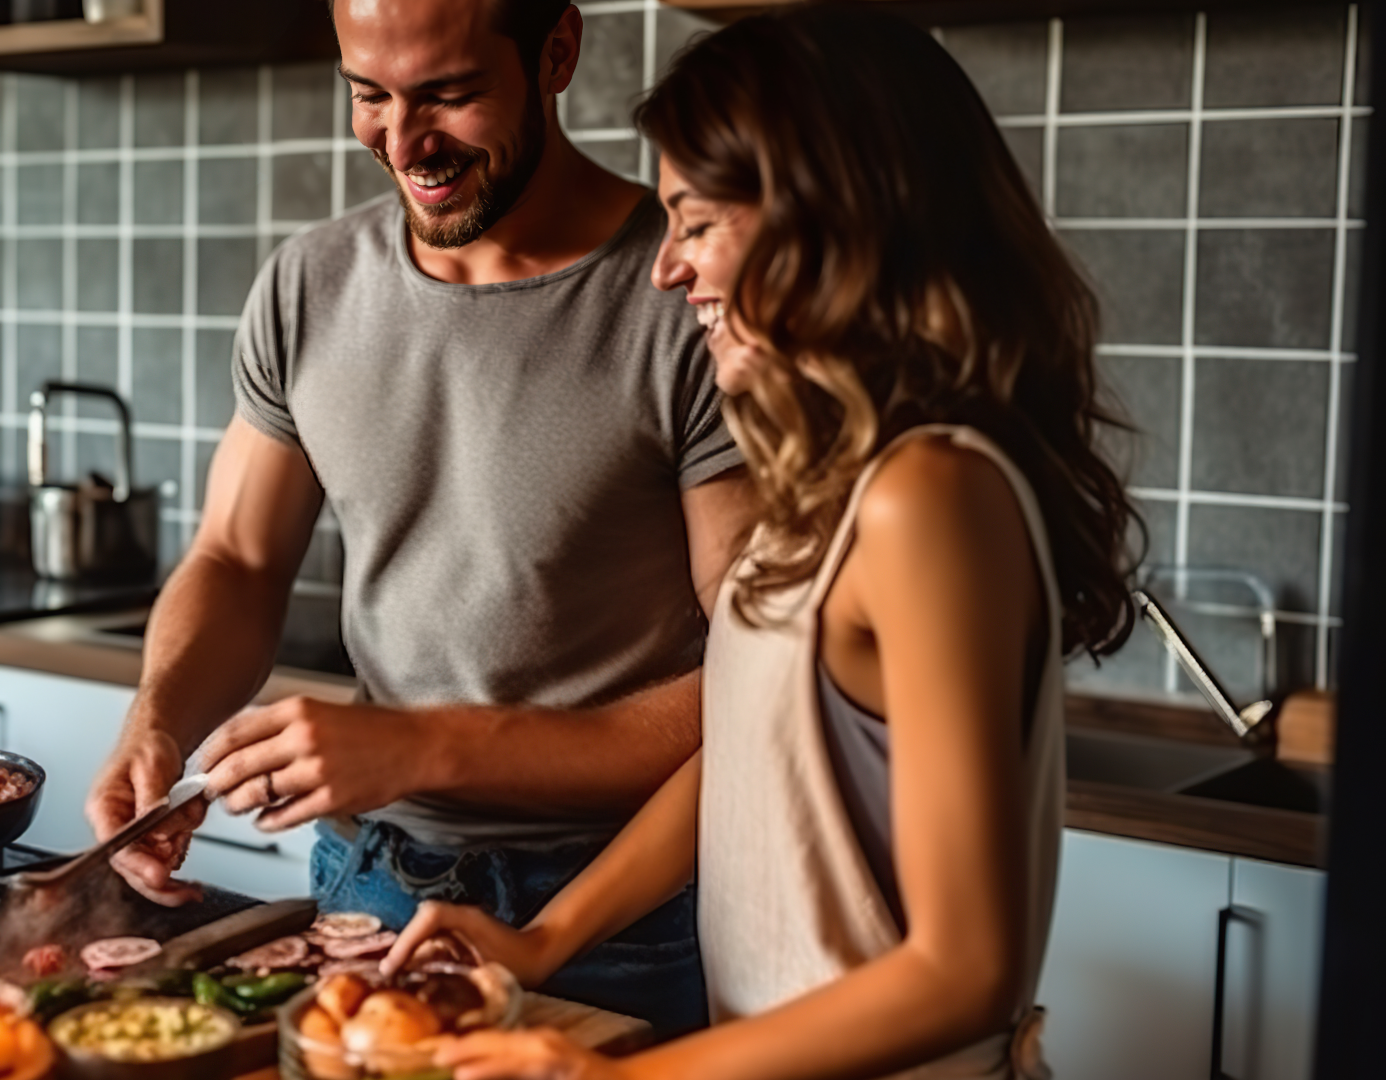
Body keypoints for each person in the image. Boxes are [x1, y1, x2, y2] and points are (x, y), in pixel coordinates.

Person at [380, 6, 1142, 1078]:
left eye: (693, 222)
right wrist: (547, 940)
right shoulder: (838, 485)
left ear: (822, 221)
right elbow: (747, 752)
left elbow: (969, 967)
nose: (666, 269)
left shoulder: (931, 495)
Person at [82, 0, 754, 1035]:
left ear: (556, 52)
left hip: (622, 909)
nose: (403, 142)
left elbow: (758, 684)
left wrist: (428, 745)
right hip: (371, 892)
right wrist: (158, 723)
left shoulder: (688, 297)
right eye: (369, 94)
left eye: (448, 94)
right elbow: (237, 561)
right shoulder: (308, 286)